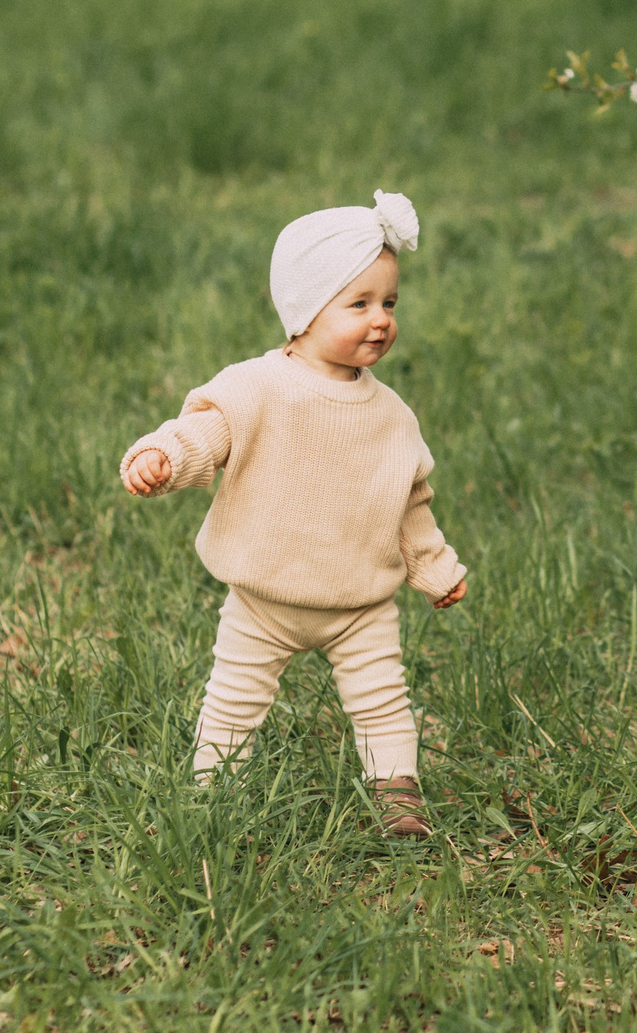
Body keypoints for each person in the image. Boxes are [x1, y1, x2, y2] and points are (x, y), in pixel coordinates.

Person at [120, 191, 467, 837]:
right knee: (233, 701)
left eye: (390, 303)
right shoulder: (258, 387)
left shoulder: (392, 416)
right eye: (358, 303)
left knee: (384, 700)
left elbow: (411, 499)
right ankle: (212, 797)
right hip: (265, 596)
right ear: (305, 310)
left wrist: (435, 566)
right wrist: (163, 456)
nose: (381, 319)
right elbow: (205, 432)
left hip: (359, 600)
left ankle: (399, 795)